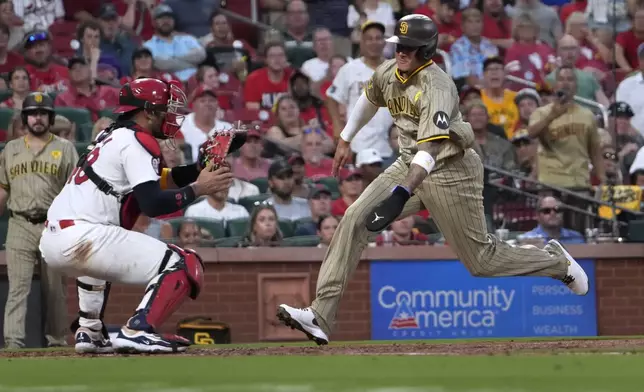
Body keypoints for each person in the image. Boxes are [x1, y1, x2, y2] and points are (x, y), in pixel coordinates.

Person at [277, 14, 590, 346]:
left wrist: (402, 193)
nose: (400, 53)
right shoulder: (388, 71)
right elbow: (370, 98)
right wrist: (345, 138)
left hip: (451, 170)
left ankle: (556, 261)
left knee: (482, 262)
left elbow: (433, 148)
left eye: (409, 48)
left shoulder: (437, 86)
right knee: (354, 218)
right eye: (398, 46)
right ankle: (320, 315)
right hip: (407, 162)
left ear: (425, 50)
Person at [39, 78, 237, 354]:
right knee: (183, 262)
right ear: (148, 111)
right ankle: (139, 330)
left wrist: (198, 168)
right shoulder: (136, 139)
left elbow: (153, 182)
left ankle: (90, 329)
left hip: (55, 239)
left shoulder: (113, 135)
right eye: (165, 108)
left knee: (98, 258)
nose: (170, 114)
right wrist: (199, 188)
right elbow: (153, 203)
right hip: (84, 234)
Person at [0, 92, 78, 349]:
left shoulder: (65, 148)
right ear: (25, 118)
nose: (38, 118)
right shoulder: (10, 150)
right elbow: (2, 190)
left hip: (53, 226)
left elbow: (75, 191)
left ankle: (57, 342)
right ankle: (13, 343)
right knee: (18, 288)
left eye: (43, 113)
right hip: (19, 223)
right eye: (33, 113)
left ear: (50, 117)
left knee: (55, 289)